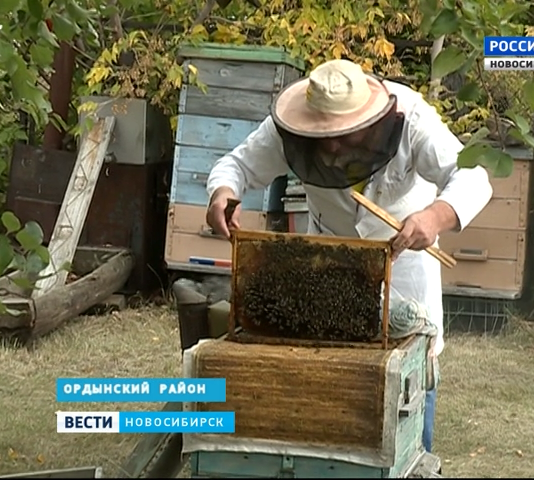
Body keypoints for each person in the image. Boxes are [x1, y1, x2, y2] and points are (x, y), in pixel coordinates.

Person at [205, 59, 493, 454]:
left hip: (405, 267)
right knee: (333, 394)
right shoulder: (288, 126)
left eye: (343, 134)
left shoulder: (410, 118)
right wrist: (222, 192)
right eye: (322, 135)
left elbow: (473, 175)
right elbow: (235, 165)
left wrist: (435, 216)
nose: (333, 145)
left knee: (407, 397)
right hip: (327, 272)